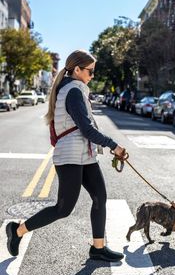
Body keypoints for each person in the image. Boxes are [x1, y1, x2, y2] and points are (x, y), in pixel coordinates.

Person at [6, 50, 126, 262]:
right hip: (70, 155)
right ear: (77, 70)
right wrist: (114, 146)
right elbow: (87, 129)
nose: (92, 76)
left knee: (100, 196)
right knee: (63, 209)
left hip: (84, 154)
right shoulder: (72, 91)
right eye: (90, 71)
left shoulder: (76, 89)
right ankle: (16, 231)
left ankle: (98, 248)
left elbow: (85, 130)